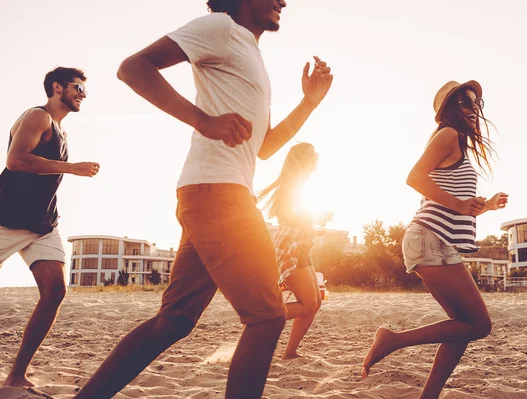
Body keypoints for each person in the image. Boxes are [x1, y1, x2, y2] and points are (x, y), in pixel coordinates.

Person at [74, 1, 333, 398]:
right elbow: (132, 67)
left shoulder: (247, 50)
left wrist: (309, 103)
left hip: (211, 193)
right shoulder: (221, 28)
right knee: (266, 317)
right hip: (219, 194)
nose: (283, 1)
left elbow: (262, 147)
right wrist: (202, 120)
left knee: (175, 320)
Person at [362, 80, 508, 399]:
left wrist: (485, 204)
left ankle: (428, 396)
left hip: (434, 239)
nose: (474, 110)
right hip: (430, 239)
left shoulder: (457, 145)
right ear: (450, 109)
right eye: (466, 103)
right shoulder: (447, 134)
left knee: (463, 325)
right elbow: (414, 177)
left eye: (476, 104)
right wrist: (459, 204)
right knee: (479, 325)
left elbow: (455, 205)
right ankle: (392, 340)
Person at [1, 67, 99, 387]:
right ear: (57, 87)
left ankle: (17, 375)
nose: (82, 93)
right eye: (77, 87)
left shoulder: (61, 130)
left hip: (42, 225)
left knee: (55, 291)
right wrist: (72, 168)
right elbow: (16, 161)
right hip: (6, 219)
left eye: (84, 89)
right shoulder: (37, 117)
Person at [257, 142, 332, 359]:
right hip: (292, 247)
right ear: (305, 161)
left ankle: (290, 352)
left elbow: (299, 219)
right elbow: (294, 218)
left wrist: (317, 222)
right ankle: (264, 318)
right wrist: (315, 221)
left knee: (315, 302)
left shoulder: (300, 184)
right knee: (308, 303)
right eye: (313, 155)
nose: (317, 157)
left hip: (301, 246)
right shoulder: (292, 186)